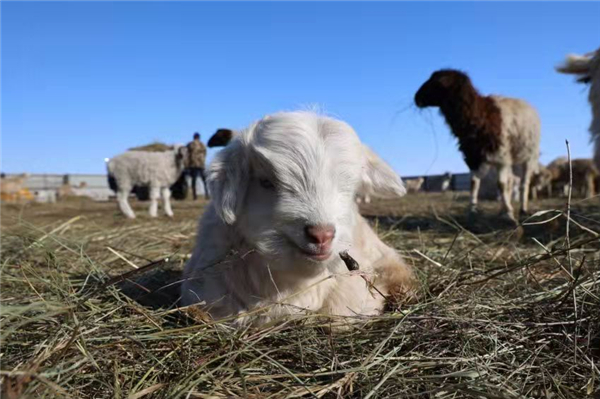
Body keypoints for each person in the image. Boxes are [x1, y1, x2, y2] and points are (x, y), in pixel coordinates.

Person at [186, 132, 209, 200]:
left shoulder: (190, 144)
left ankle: (194, 196)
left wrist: (188, 163)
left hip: (193, 164)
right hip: (201, 164)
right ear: (199, 137)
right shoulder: (202, 144)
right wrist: (202, 160)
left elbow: (186, 154)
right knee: (204, 180)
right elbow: (205, 153)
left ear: (194, 137)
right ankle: (207, 195)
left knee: (194, 181)